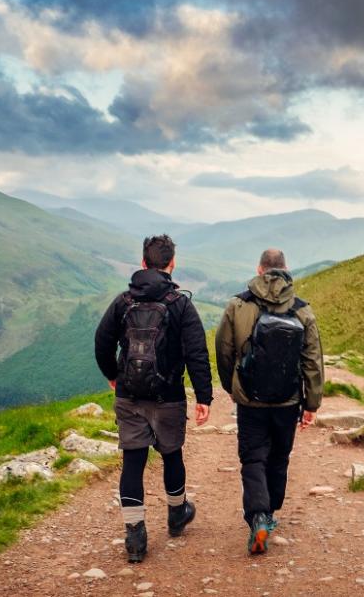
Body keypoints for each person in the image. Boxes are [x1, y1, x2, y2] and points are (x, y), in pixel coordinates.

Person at [94, 235, 213, 563]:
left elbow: (102, 341)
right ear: (172, 264)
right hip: (169, 396)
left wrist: (113, 375)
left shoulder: (123, 301)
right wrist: (204, 396)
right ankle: (177, 515)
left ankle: (135, 537)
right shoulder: (181, 304)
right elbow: (197, 353)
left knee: (133, 460)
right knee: (172, 455)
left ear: (143, 262)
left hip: (129, 395)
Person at [215, 248, 323, 555]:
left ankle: (258, 516)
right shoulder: (302, 310)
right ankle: (270, 512)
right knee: (279, 458)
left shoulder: (238, 304)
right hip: (287, 401)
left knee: (252, 458)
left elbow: (223, 350)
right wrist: (311, 403)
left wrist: (232, 386)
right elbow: (313, 360)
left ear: (259, 270)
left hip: (250, 400)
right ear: (286, 270)